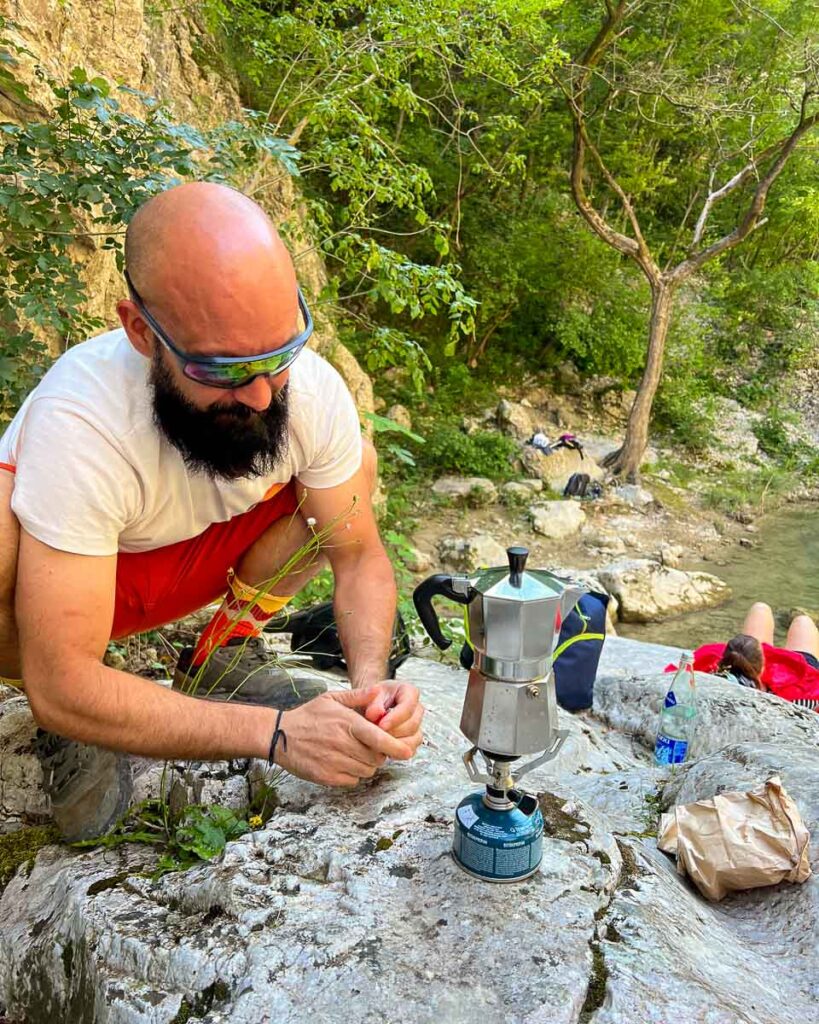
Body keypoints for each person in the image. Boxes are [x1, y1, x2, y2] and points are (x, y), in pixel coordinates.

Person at [0, 182, 424, 840]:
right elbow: (61, 681)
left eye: (279, 355)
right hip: (69, 584)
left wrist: (370, 689)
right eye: (223, 369)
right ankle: (86, 731)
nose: (260, 395)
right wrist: (276, 734)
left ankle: (221, 654)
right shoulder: (81, 418)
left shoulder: (308, 390)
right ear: (141, 331)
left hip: (193, 558)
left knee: (350, 475)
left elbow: (360, 557)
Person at [692, 602, 819, 710]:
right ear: (763, 667)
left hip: (741, 669)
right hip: (791, 683)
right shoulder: (800, 700)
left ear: (723, 660)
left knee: (760, 609)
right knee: (803, 622)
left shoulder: (699, 682)